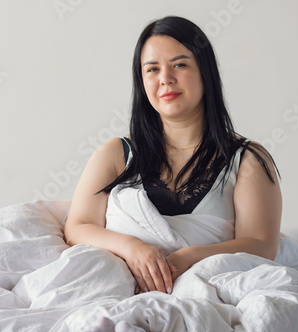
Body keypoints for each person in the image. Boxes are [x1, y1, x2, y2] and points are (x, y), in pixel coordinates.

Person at [64, 16, 282, 295]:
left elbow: (261, 244)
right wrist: (135, 248)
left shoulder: (248, 159)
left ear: (205, 72)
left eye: (179, 64)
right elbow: (78, 226)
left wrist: (186, 257)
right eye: (152, 69)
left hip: (208, 294)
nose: (165, 78)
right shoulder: (115, 153)